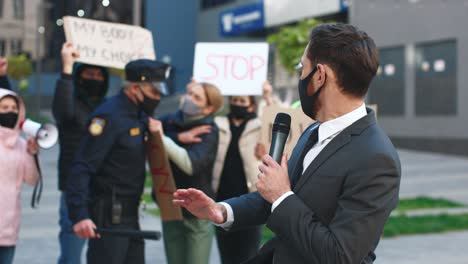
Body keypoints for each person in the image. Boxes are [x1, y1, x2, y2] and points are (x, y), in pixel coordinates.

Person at [173, 23, 402, 263]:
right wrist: (220, 211)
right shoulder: (314, 129)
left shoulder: (376, 158)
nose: (300, 76)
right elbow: (272, 196)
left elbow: (339, 255)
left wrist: (282, 195)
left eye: (303, 68)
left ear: (320, 76)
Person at [66, 59, 170, 264]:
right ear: (134, 88)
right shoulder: (109, 117)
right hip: (109, 215)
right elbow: (82, 166)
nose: (157, 98)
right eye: (153, 92)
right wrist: (79, 214)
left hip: (131, 215)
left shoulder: (138, 114)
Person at [151, 81, 223, 264]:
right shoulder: (169, 121)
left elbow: (190, 164)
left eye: (196, 97)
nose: (188, 98)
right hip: (170, 203)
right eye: (189, 92)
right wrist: (178, 138)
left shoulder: (209, 131)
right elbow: (148, 138)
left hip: (196, 212)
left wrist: (162, 138)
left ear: (208, 109)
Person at [52, 42, 109, 264]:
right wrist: (67, 67)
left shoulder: (108, 107)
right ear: (79, 77)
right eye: (88, 74)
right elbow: (62, 111)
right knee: (71, 254)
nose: (93, 78)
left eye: (98, 75)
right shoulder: (70, 105)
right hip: (75, 188)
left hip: (104, 187)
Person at [0, 88, 40, 264]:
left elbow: (32, 179)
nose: (10, 111)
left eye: (13, 108)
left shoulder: (21, 144)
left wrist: (32, 154)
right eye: (4, 107)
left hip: (9, 225)